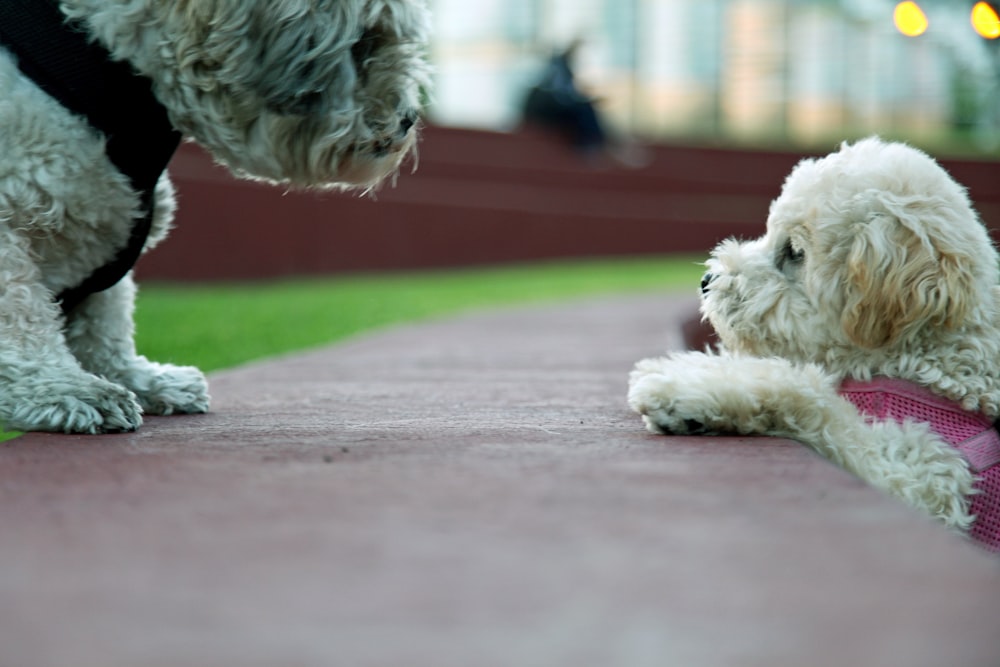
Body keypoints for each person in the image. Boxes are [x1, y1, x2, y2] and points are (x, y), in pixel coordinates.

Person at [522, 38, 647, 167]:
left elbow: (566, 95)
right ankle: (599, 144)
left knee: (586, 108)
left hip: (551, 108)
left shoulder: (564, 69)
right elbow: (559, 94)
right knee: (585, 109)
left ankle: (605, 143)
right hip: (542, 110)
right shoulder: (557, 66)